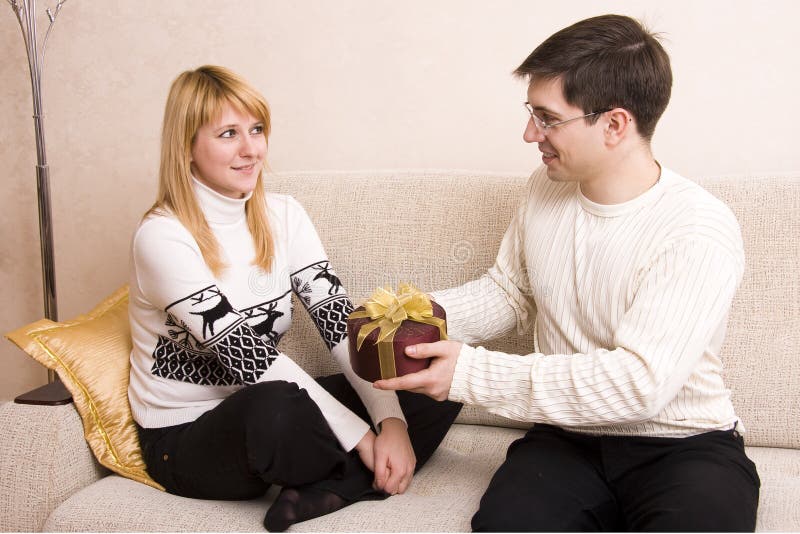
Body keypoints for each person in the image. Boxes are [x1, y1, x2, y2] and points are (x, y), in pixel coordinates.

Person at [375, 14, 760, 532]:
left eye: (547, 117)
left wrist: (467, 374)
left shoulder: (697, 228)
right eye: (530, 113)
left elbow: (639, 384)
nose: (530, 133)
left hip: (685, 445)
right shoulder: (544, 187)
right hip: (568, 440)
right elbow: (510, 292)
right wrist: (415, 317)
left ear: (615, 124)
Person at [127, 65, 461, 532]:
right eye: (228, 134)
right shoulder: (162, 236)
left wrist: (394, 423)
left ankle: (326, 489)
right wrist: (366, 436)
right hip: (188, 434)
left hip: (270, 401)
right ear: (186, 147)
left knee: (426, 379)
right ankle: (349, 474)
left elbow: (338, 321)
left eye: (257, 129)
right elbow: (247, 358)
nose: (251, 149)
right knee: (276, 406)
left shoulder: (284, 214)